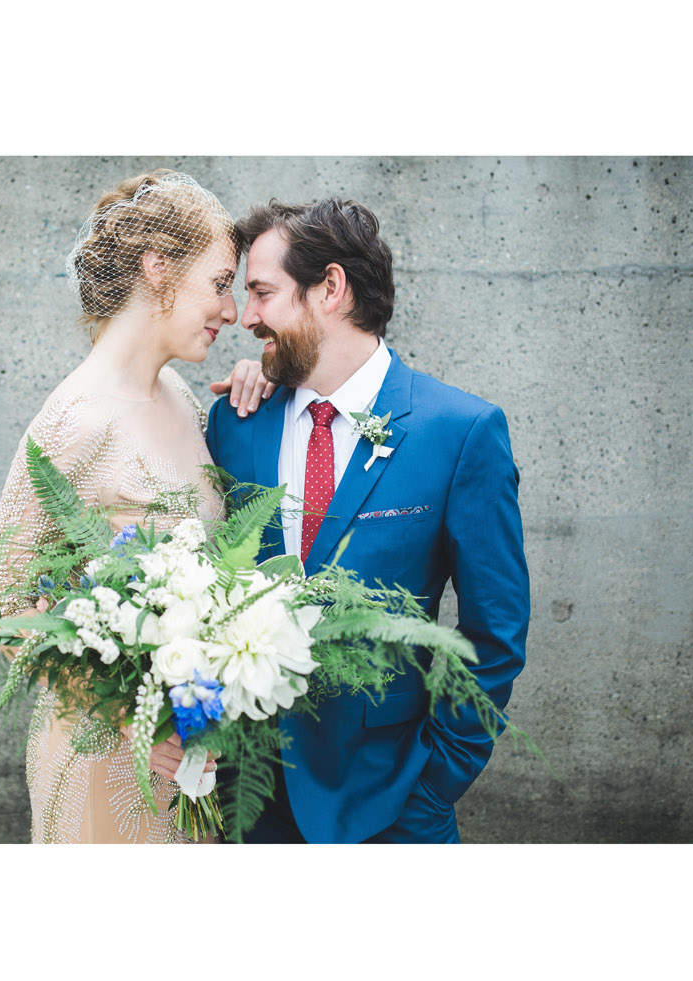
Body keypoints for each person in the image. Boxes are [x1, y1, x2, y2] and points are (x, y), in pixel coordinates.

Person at [206, 197, 530, 843]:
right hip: (248, 802)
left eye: (263, 293)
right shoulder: (235, 422)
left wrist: (434, 786)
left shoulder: (460, 431)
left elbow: (494, 634)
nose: (247, 317)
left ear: (330, 288)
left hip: (391, 804)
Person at [0, 169, 269, 843]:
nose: (231, 312)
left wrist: (261, 389)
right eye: (220, 283)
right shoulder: (76, 419)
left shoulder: (182, 400)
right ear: (158, 268)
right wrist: (131, 716)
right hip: (105, 762)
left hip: (189, 754)